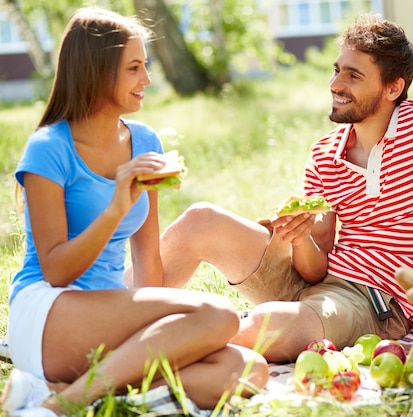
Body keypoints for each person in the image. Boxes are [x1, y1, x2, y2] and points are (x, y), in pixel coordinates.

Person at [0, 7, 268, 417]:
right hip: (48, 313)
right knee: (220, 316)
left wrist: (163, 334)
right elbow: (55, 271)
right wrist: (115, 207)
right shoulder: (48, 148)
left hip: (111, 313)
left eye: (146, 66)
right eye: (134, 68)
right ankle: (60, 405)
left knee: (246, 369)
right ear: (97, 71)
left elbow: (148, 262)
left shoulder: (145, 142)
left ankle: (60, 391)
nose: (147, 79)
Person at [153, 13, 413, 363]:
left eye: (353, 75)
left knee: (266, 328)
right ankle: (112, 317)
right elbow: (314, 269)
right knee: (200, 220)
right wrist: (299, 236)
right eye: (337, 70)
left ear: (393, 87)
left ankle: (149, 351)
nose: (336, 84)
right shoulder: (325, 153)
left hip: (378, 304)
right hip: (319, 285)